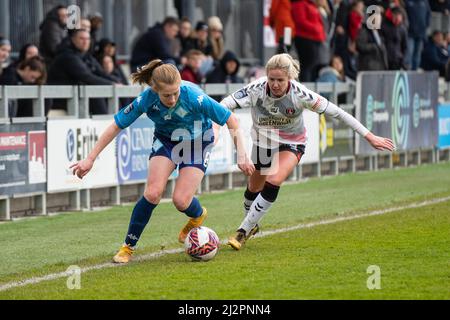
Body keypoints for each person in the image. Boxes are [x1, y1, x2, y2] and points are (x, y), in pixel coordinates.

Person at [70, 60, 255, 263]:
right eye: (167, 95)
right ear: (155, 89)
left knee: (181, 201)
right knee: (152, 193)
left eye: (176, 92)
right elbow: (116, 125)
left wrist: (242, 155)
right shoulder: (146, 99)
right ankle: (127, 247)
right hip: (166, 141)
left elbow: (231, 119)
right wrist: (90, 158)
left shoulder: (193, 96)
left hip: (197, 143)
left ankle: (198, 215)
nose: (173, 98)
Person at [220, 53, 395, 250]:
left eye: (280, 80)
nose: (275, 84)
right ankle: (251, 224)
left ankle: (242, 231)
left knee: (274, 179)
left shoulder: (301, 94)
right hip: (263, 140)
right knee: (253, 188)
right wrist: (213, 124)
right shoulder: (255, 89)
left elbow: (338, 112)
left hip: (291, 143)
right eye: (271, 79)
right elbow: (224, 105)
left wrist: (369, 135)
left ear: (290, 78)